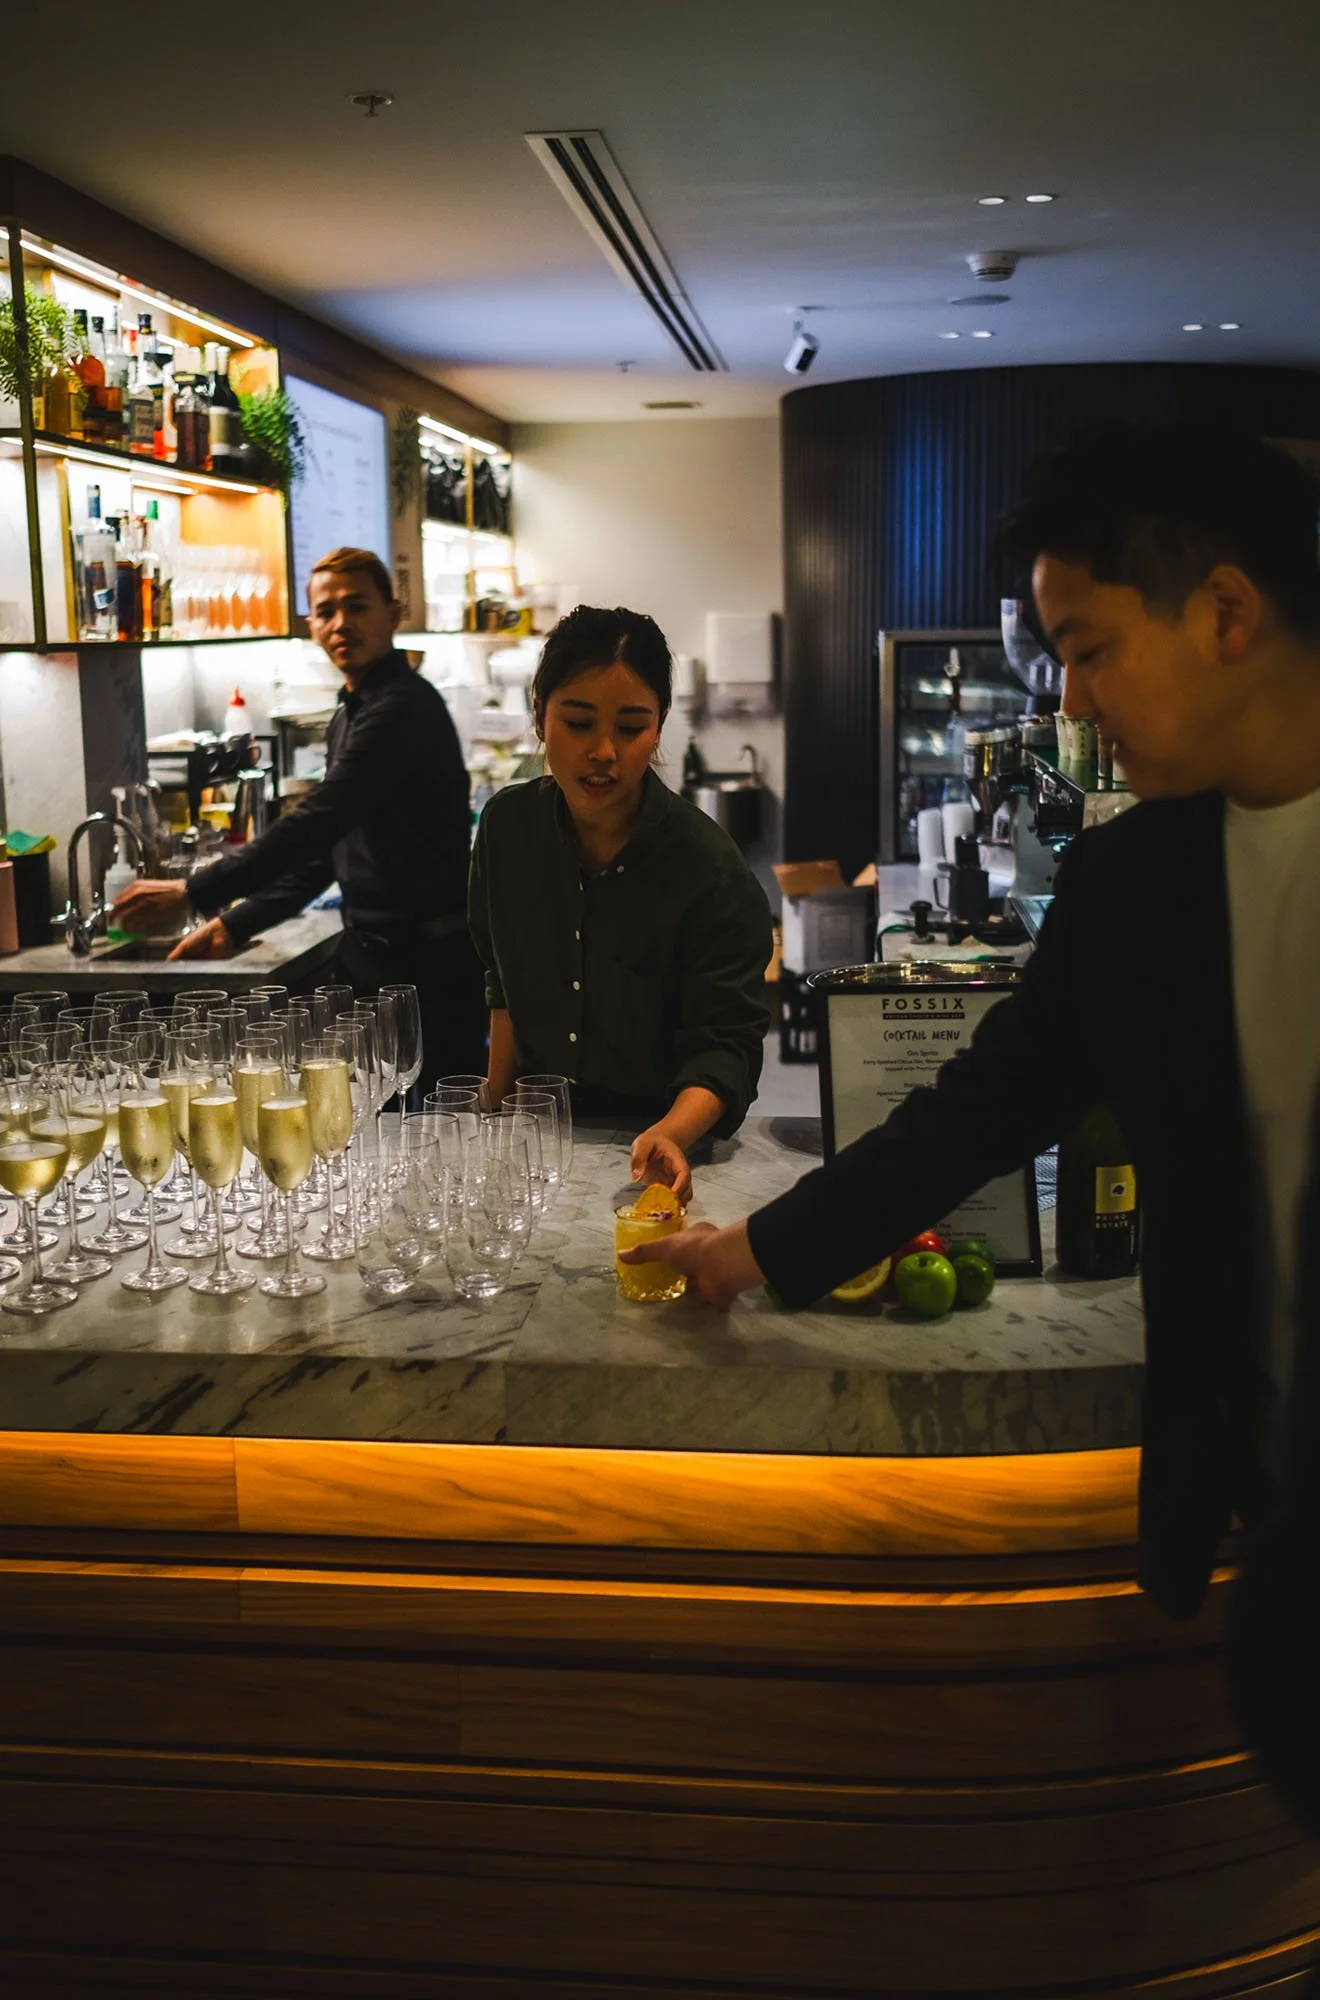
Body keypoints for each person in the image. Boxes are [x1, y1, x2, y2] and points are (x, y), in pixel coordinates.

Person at [627, 422, 1320, 1637]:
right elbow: (980, 1111)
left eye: (1091, 649)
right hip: (1275, 1530)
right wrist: (758, 1249)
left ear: (1225, 610)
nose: (1072, 697)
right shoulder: (1136, 882)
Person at [112, 546, 486, 1083]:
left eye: (357, 606)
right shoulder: (350, 714)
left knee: (437, 1136)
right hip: (378, 964)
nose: (341, 624)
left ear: (393, 612)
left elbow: (317, 820)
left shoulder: (401, 708)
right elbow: (327, 854)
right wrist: (234, 923)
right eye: (326, 611)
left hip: (429, 970)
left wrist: (194, 892)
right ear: (311, 623)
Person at [468, 604, 773, 1200]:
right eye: (579, 723)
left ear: (658, 729)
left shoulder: (710, 871)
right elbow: (500, 978)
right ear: (540, 716)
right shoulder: (508, 828)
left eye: (631, 728)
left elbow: (725, 1047)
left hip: (661, 1158)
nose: (604, 751)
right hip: (534, 1151)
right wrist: (493, 1106)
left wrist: (671, 1133)